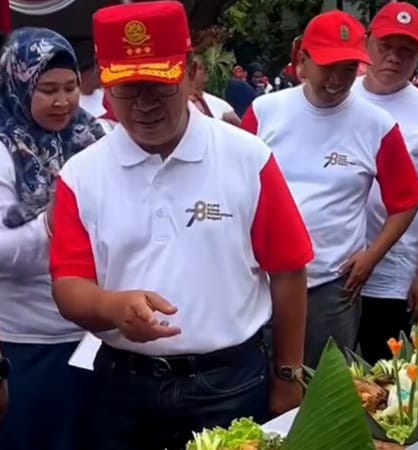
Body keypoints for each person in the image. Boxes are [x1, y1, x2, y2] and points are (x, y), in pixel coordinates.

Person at [50, 3, 313, 450]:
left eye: (158, 85)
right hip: (122, 388)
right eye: (127, 89)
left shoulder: (247, 158)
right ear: (106, 86)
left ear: (191, 74)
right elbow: (68, 285)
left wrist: (288, 374)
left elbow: (288, 270)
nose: (143, 104)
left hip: (228, 386)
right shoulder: (82, 174)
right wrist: (113, 307)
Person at [241, 10, 418, 368]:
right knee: (261, 376)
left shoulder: (377, 124)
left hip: (330, 282)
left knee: (324, 381)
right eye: (328, 67)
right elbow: (235, 182)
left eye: (349, 68)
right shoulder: (265, 111)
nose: (338, 80)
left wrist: (371, 257)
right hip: (262, 278)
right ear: (303, 61)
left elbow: (407, 200)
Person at [0, 27, 103, 450]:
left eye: (70, 87)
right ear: (18, 85)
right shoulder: (4, 149)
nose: (62, 101)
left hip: (100, 334)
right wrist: (51, 223)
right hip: (29, 343)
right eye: (47, 90)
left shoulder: (94, 137)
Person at [352, 2, 418, 363]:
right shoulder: (339, 96)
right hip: (332, 267)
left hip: (394, 273)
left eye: (406, 51)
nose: (394, 58)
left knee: (388, 373)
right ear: (367, 42)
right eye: (386, 46)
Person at [190, 54, 241, 125]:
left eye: (198, 68)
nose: (191, 72)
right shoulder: (176, 105)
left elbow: (239, 128)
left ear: (205, 74)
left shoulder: (221, 107)